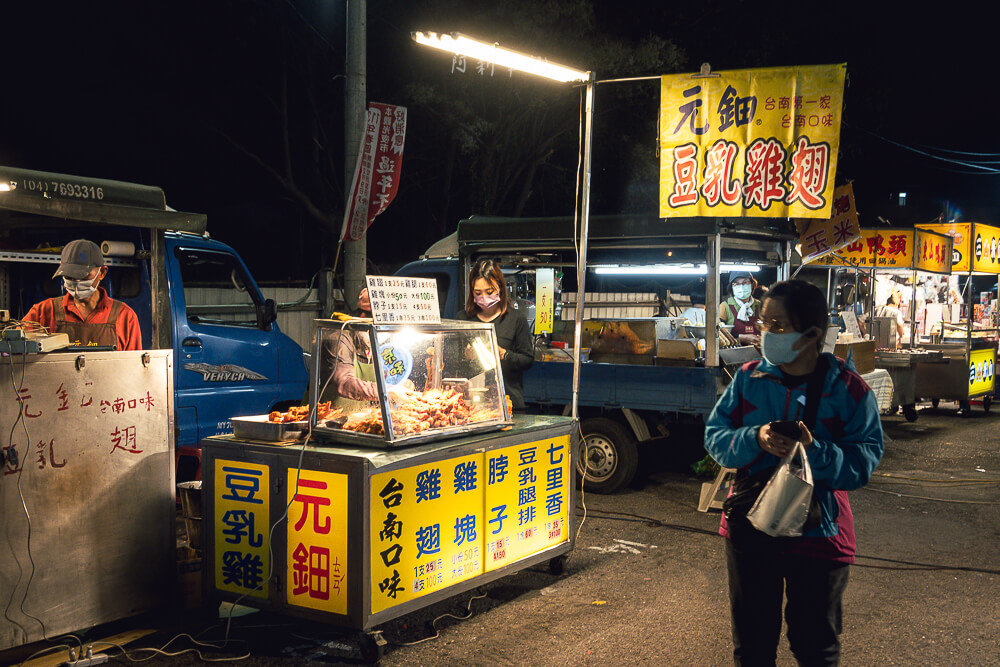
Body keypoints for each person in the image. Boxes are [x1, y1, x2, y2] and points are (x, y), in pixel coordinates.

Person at [704, 280, 884, 666]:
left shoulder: (848, 390)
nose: (767, 332)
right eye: (765, 323)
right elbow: (715, 437)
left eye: (779, 325)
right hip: (751, 525)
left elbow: (863, 462)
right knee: (752, 647)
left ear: (812, 335)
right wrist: (756, 438)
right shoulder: (748, 380)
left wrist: (813, 450)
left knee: (815, 647)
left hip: (820, 533)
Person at [22, 239, 142, 350]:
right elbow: (16, 352)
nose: (77, 281)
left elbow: (135, 367)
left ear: (102, 272)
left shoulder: (125, 317)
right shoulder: (42, 312)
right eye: (70, 276)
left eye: (84, 275)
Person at [456, 258, 533, 412]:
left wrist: (504, 354)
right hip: (471, 404)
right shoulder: (462, 319)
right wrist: (466, 357)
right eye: (478, 292)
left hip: (508, 402)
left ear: (500, 288)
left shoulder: (515, 319)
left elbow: (527, 360)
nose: (484, 297)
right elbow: (452, 364)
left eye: (489, 291)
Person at [719, 271, 762, 346]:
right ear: (732, 287)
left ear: (751, 285)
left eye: (745, 282)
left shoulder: (759, 305)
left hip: (757, 353)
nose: (741, 286)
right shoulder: (725, 306)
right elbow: (718, 332)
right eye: (736, 284)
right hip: (734, 353)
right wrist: (742, 338)